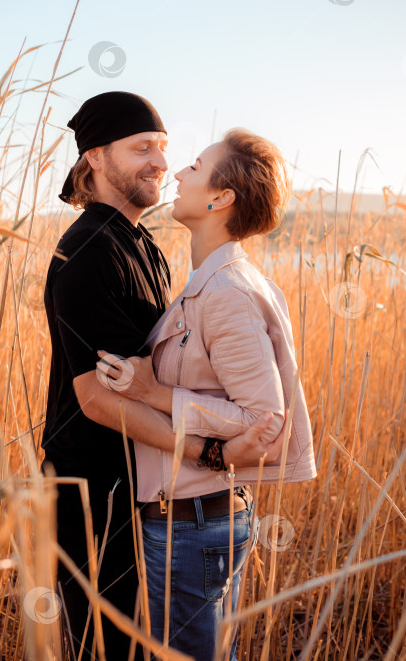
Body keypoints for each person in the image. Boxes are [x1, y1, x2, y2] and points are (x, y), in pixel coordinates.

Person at [41, 92, 288, 661]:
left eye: (165, 148)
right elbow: (98, 400)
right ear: (96, 158)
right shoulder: (86, 252)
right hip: (93, 493)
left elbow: (159, 374)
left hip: (150, 491)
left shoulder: (145, 246)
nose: (160, 162)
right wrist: (209, 452)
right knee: (102, 644)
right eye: (141, 148)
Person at [97, 128, 317, 661]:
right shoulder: (210, 283)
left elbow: (263, 417)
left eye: (194, 167)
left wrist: (156, 391)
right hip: (198, 519)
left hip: (193, 526)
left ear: (221, 198)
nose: (175, 173)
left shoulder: (225, 295)